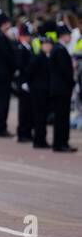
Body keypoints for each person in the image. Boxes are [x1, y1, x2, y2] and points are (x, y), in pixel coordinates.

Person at [45, 25, 77, 153]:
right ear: (63, 35)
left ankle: (60, 142)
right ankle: (61, 143)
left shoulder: (57, 49)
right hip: (61, 89)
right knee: (62, 117)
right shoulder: (60, 50)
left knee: (61, 117)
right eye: (68, 35)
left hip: (59, 88)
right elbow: (65, 71)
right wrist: (72, 81)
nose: (70, 37)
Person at [0, 13, 16, 138]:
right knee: (2, 101)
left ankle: (2, 126)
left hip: (2, 74)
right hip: (2, 74)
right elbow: (7, 55)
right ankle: (0, 127)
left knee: (4, 101)